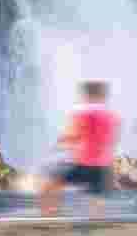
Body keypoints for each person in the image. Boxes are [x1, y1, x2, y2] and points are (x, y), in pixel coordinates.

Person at [40, 80, 120, 217]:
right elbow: (112, 140)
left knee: (50, 185)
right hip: (103, 167)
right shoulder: (112, 116)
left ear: (87, 94)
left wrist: (58, 147)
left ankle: (49, 220)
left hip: (83, 165)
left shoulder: (82, 112)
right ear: (102, 95)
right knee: (96, 203)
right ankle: (99, 231)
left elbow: (72, 135)